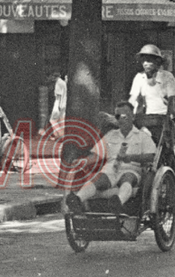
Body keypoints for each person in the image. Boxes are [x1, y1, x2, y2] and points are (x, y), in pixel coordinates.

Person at [65, 100, 157, 236]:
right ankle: (77, 200)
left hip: (131, 168)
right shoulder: (111, 135)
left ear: (132, 117)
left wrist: (131, 157)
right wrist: (83, 161)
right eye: (118, 116)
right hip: (111, 169)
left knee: (127, 179)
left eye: (124, 116)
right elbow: (96, 155)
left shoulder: (143, 136)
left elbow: (151, 156)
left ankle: (117, 202)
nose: (121, 120)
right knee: (99, 178)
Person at [127, 44, 175, 179]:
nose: (146, 64)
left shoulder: (166, 77)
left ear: (157, 62)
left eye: (150, 60)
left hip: (163, 118)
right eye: (144, 60)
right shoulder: (139, 78)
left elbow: (172, 99)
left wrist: (170, 120)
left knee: (165, 149)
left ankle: (171, 176)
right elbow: (133, 98)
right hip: (145, 118)